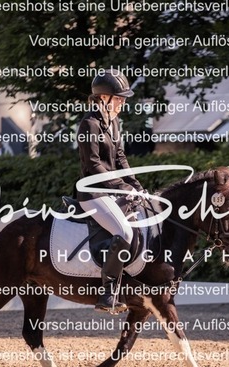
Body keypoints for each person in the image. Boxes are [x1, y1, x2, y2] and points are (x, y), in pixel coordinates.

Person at [76, 69, 145, 314]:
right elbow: (93, 164)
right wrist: (122, 186)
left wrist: (136, 186)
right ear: (103, 98)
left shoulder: (113, 122)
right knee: (124, 231)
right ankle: (108, 292)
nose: (122, 103)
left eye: (123, 99)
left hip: (112, 191)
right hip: (93, 193)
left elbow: (120, 157)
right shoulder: (89, 124)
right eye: (119, 98)